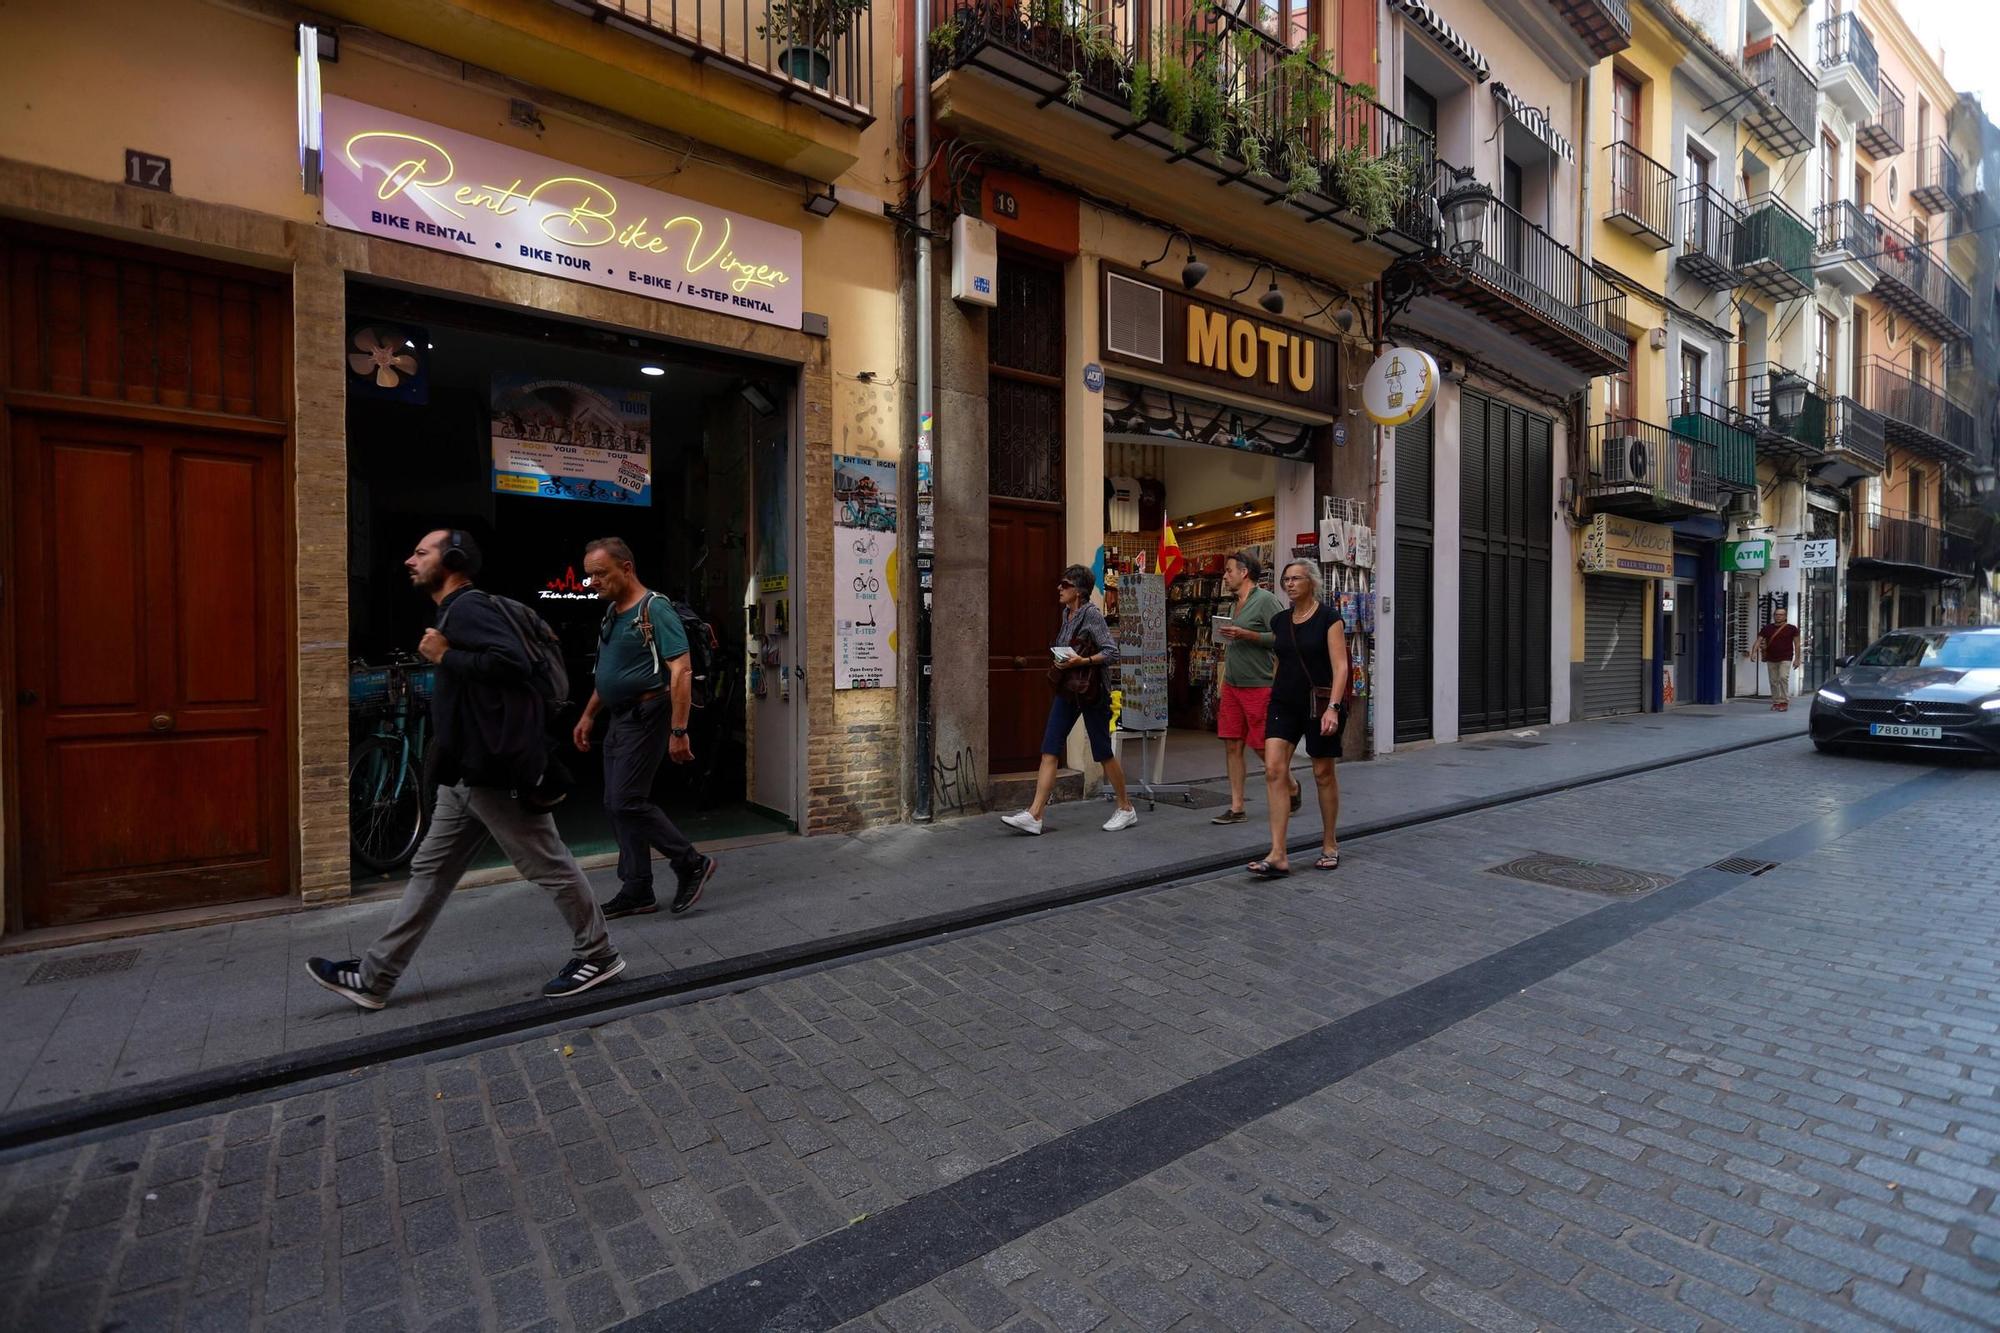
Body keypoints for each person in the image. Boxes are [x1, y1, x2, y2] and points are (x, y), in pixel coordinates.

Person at [308, 529, 624, 1010]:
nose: (410, 561)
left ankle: (598, 954)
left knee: (551, 866)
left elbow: (512, 662)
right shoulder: (453, 612)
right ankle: (375, 977)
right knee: (430, 873)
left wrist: (446, 655)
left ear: (451, 560)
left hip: (493, 772)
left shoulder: (469, 608)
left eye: (421, 552)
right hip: (463, 776)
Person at [572, 537, 718, 917]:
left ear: (626, 568)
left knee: (627, 801)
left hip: (648, 715)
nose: (594, 583)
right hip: (619, 716)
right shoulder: (612, 613)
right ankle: (637, 889)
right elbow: (607, 674)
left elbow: (681, 670)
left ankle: (691, 863)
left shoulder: (655, 609)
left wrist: (679, 730)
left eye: (600, 574)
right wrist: (589, 714)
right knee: (614, 804)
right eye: (590, 577)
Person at [1000, 564, 1139, 835]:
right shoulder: (1067, 613)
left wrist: (1082, 660)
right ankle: (1035, 814)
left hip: (1091, 691)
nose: (1059, 589)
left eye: (1064, 585)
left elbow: (1112, 652)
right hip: (1069, 690)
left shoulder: (1092, 615)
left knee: (1102, 751)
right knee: (1050, 747)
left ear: (1079, 591)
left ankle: (1126, 808)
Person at [1249, 561, 1351, 877]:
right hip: (1283, 702)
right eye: (1286, 579)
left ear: (1312, 582)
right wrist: (1272, 691)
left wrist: (1333, 707)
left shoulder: (1329, 619)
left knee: (1322, 772)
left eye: (1296, 579)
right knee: (1273, 769)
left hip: (1320, 704)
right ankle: (1278, 854)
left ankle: (1330, 843)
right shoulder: (1280, 621)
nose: (1290, 584)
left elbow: (1341, 667)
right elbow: (1281, 661)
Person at [1209, 551, 1299, 825]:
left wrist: (1250, 635)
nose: (1225, 576)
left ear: (1244, 572)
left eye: (1228, 571)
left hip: (1258, 685)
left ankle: (1292, 785)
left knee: (1262, 747)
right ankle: (1237, 807)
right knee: (1232, 744)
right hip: (1233, 684)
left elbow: (1284, 636)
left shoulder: (1266, 600)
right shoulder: (1234, 603)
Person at [1751, 604, 1802, 711]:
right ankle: (1776, 701)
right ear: (1774, 616)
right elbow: (1759, 640)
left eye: (1781, 614)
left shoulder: (1792, 629)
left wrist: (1797, 659)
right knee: (1773, 680)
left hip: (1786, 657)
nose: (1778, 616)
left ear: (1785, 616)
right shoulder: (1767, 628)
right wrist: (1753, 652)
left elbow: (1797, 644)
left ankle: (1784, 701)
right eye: (1776, 614)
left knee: (1783, 677)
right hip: (1771, 657)